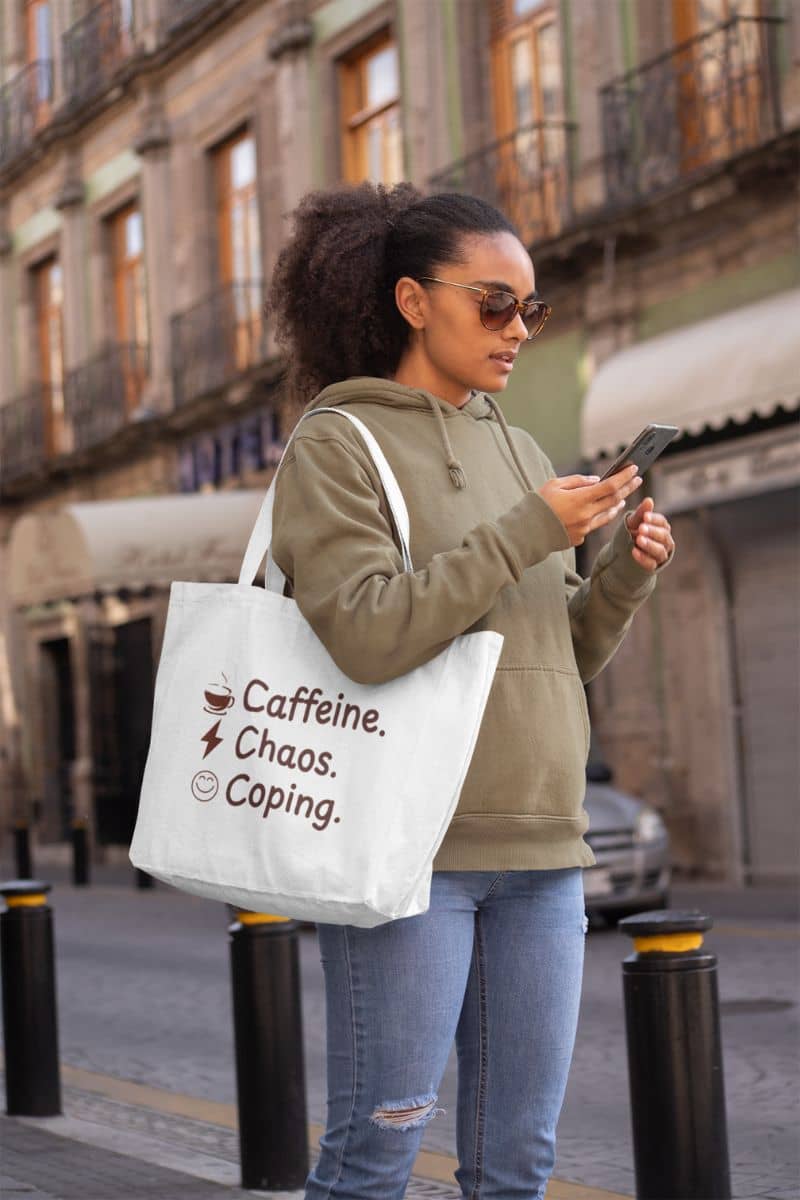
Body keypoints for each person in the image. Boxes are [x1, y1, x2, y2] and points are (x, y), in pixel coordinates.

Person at [267, 181, 675, 1200]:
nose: (516, 331)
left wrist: (619, 574)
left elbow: (557, 656)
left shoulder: (520, 450)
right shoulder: (336, 444)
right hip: (413, 859)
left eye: (529, 309)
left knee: (515, 1167)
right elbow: (365, 633)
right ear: (412, 302)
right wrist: (528, 530)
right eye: (493, 304)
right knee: (373, 1161)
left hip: (542, 850)